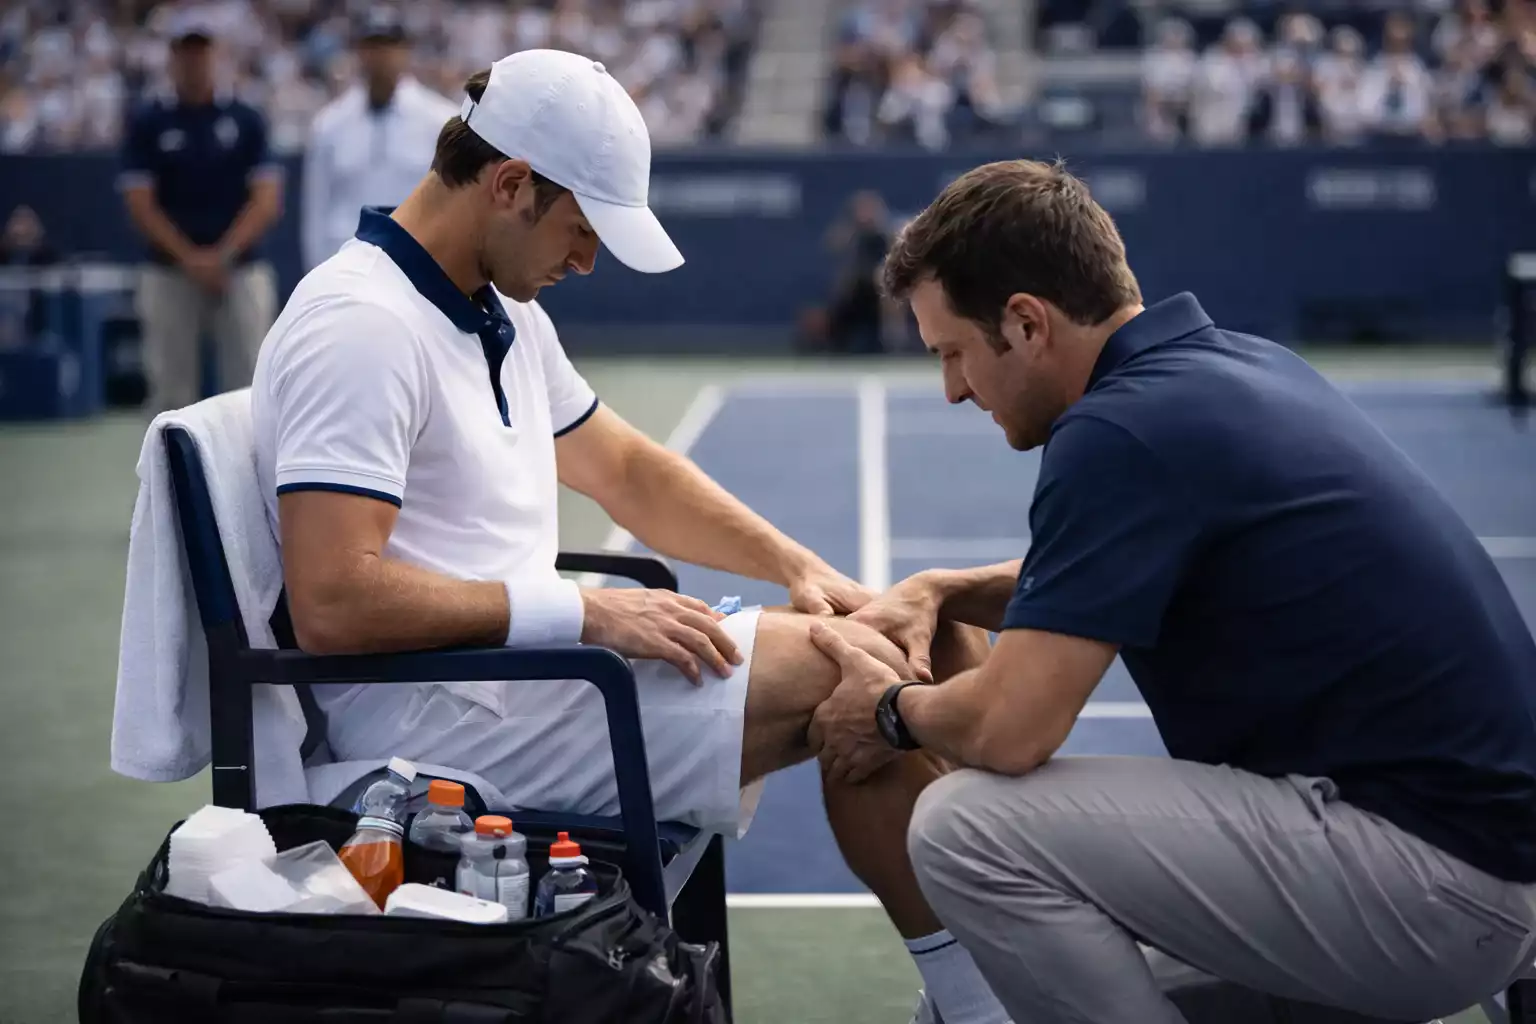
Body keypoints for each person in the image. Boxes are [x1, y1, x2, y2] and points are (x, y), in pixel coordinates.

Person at [250, 49, 1011, 1024]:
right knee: (861, 676)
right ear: (511, 184)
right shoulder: (358, 327)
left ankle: (995, 975)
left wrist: (805, 570)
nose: (586, 261)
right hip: (432, 724)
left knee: (928, 635)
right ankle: (980, 1006)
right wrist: (584, 611)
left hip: (523, 681)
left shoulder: (499, 317)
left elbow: (629, 471)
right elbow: (332, 600)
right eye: (580, 231)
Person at [809, 157, 1536, 1023]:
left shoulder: (1115, 435)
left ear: (1027, 323)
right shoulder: (1229, 369)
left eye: (955, 352)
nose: (954, 388)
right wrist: (946, 589)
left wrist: (889, 712)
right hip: (1480, 866)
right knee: (1001, 1000)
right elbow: (1119, 573)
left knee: (968, 831)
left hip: (1429, 888)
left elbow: (1010, 730)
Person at [118, 10, 282, 415]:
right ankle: (172, 480)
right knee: (170, 396)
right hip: (169, 272)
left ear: (217, 55)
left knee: (249, 392)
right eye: (185, 51)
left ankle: (250, 481)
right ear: (172, 57)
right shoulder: (148, 121)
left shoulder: (247, 119)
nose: (194, 60)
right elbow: (141, 204)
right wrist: (192, 260)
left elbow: (266, 201)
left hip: (240, 269)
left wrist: (220, 257)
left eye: (201, 51)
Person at [301, 6, 459, 271]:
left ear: (405, 51)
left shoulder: (439, 120)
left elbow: (452, 205)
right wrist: (314, 272)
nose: (381, 57)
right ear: (358, 52)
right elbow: (316, 211)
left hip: (417, 263)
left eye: (389, 46)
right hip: (345, 264)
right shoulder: (330, 124)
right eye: (372, 47)